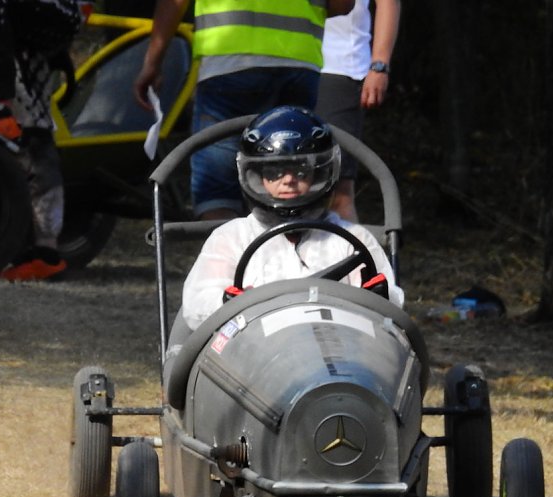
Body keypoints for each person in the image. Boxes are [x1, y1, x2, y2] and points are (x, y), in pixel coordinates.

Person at [181, 106, 404, 331]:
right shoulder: (231, 237)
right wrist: (227, 303)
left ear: (320, 173)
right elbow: (197, 303)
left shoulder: (353, 238)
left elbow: (392, 301)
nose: (288, 180)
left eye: (300, 171)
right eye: (274, 172)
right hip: (256, 354)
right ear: (255, 176)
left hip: (340, 346)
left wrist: (376, 297)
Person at [134, 0, 355, 222]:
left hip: (229, 63)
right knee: (290, 182)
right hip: (299, 64)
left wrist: (153, 62)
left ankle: (226, 254)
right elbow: (343, 5)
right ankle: (284, 252)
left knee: (217, 191)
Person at [0, 0, 93, 281]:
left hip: (60, 12)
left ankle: (3, 111)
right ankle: (43, 253)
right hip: (31, 20)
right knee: (34, 129)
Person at [315, 0, 401, 222]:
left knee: (337, 190)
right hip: (285, 64)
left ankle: (349, 255)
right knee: (272, 183)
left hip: (340, 68)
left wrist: (379, 65)